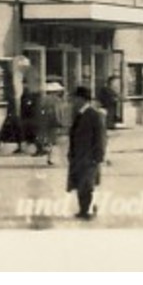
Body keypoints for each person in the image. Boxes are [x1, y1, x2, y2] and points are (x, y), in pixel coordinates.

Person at [67, 85, 108, 220]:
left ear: (82, 99)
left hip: (89, 157)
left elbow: (100, 137)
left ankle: (88, 211)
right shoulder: (79, 114)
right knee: (80, 184)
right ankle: (83, 210)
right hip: (79, 156)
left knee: (87, 185)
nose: (73, 101)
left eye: (75, 98)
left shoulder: (94, 115)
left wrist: (99, 156)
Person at [36, 81, 64, 165]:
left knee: (47, 138)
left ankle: (48, 154)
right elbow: (58, 111)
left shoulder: (43, 99)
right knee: (53, 140)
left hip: (44, 121)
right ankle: (51, 157)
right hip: (53, 121)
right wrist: (59, 120)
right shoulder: (57, 100)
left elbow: (40, 110)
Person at [17, 83, 41, 155]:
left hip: (30, 118)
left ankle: (39, 149)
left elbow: (27, 107)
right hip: (28, 117)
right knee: (29, 134)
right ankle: (37, 148)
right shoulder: (26, 96)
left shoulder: (29, 96)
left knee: (32, 134)